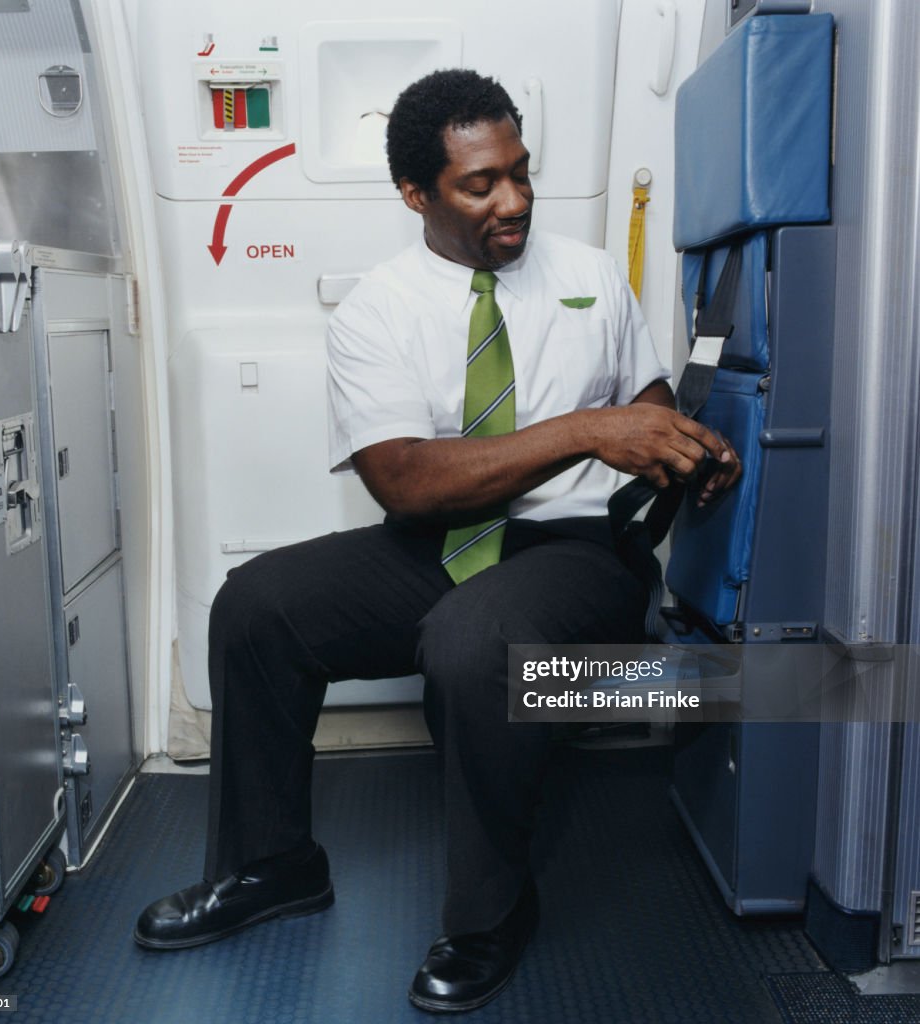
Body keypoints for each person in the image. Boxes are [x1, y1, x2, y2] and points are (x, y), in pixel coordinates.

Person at [135, 68, 740, 1013]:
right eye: (479, 184)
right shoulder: (379, 308)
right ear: (415, 194)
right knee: (254, 606)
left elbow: (646, 406)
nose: (514, 200)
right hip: (437, 542)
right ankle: (272, 866)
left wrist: (679, 449)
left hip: (574, 551)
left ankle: (489, 914)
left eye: (520, 171)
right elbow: (406, 482)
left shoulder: (588, 276)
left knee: (471, 644)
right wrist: (585, 428)